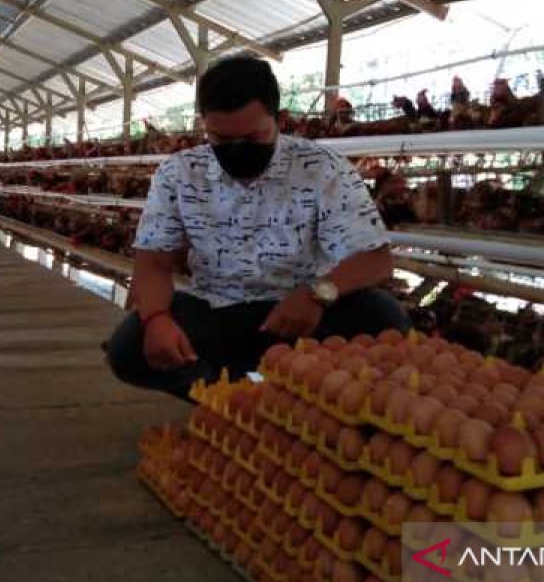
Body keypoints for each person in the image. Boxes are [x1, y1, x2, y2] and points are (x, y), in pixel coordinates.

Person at [105, 55, 410, 400]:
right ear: (203, 125)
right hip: (217, 308)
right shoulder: (178, 173)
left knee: (384, 318)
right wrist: (156, 318)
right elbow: (153, 262)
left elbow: (375, 258)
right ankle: (226, 399)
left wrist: (318, 293)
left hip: (302, 313)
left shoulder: (322, 167)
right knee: (129, 348)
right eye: (221, 138)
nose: (238, 149)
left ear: (279, 120)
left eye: (253, 137)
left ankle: (298, 393)